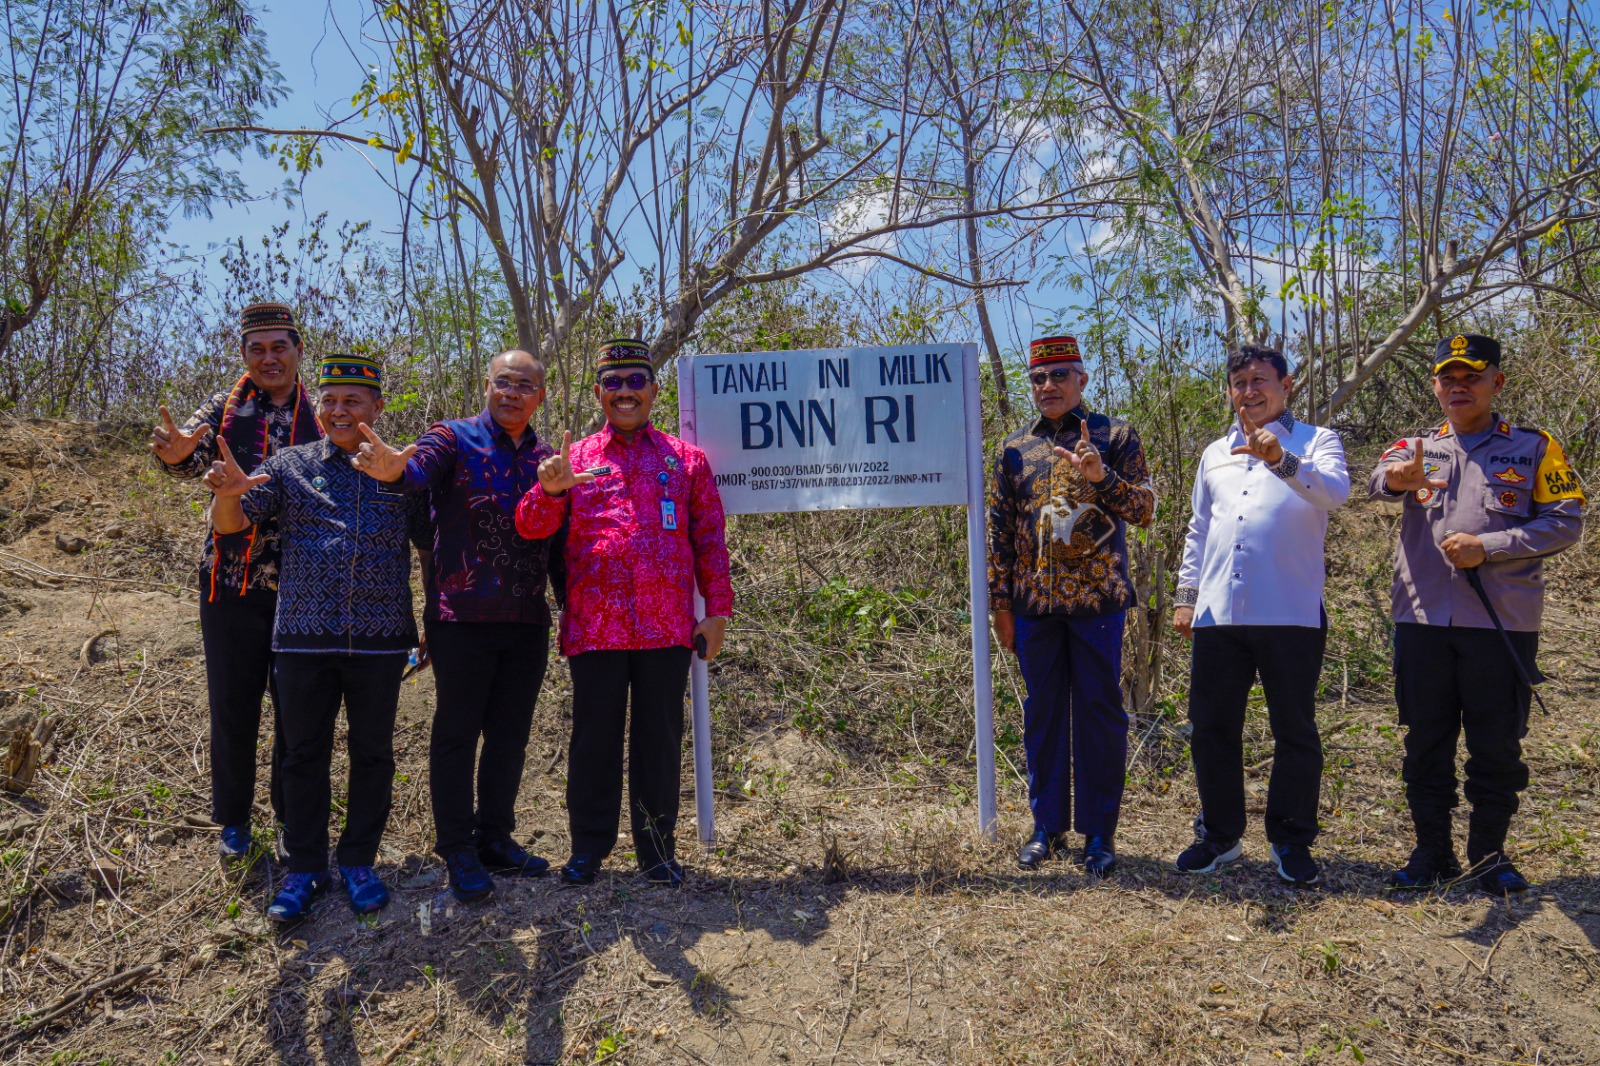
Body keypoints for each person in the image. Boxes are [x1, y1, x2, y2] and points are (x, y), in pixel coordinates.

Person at [207, 355, 432, 922]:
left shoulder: (403, 470)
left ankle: (359, 860)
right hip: (303, 639)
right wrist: (228, 493)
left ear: (377, 408)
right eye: (329, 400)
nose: (338, 410)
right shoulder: (289, 465)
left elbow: (431, 546)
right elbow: (231, 526)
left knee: (373, 754)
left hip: (380, 641)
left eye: (352, 401)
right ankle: (304, 867)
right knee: (302, 754)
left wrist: (431, 621)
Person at [514, 337, 733, 887]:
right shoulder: (572, 461)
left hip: (665, 626)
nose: (625, 392)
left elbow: (709, 541)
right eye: (613, 383)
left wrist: (718, 612)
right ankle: (588, 848)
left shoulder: (687, 462)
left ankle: (657, 851)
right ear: (598, 393)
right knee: (594, 740)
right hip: (595, 626)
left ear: (654, 391)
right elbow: (530, 528)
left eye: (636, 381)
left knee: (659, 741)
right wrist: (548, 492)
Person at [1369, 334, 1584, 896]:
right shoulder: (1415, 447)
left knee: (1495, 746)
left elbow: (1566, 521)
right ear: (1436, 385)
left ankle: (1489, 854)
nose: (1458, 386)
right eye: (1448, 377)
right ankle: (1431, 852)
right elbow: (1376, 481)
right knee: (1426, 741)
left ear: (1497, 382)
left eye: (1471, 375)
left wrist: (1491, 546)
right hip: (1421, 622)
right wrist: (1398, 479)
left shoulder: (1536, 447)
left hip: (1500, 624)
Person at [351, 350, 559, 903]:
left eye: (525, 385)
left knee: (510, 737)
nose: (512, 392)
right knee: (457, 735)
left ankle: (496, 837)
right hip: (460, 617)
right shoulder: (453, 437)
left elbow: (563, 541)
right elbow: (415, 470)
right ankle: (458, 849)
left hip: (526, 619)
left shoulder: (548, 457)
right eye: (503, 382)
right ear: (486, 386)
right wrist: (395, 468)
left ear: (542, 394)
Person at [148, 301, 323, 863]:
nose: (269, 358)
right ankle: (235, 819)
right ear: (243, 355)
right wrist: (176, 455)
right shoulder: (224, 408)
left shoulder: (324, 413)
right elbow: (187, 453)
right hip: (230, 579)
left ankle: (289, 811)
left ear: (298, 350)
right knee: (233, 703)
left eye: (280, 347)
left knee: (295, 707)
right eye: (257, 348)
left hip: (301, 586)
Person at [1171, 346, 1349, 885]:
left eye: (1260, 380)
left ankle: (1291, 839)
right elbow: (1200, 528)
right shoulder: (1214, 453)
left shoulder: (1317, 442)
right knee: (1211, 728)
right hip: (1219, 612)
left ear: (1286, 384)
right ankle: (1220, 835)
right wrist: (1186, 592)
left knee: (1294, 730)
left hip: (1290, 611)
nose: (1249, 390)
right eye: (1239, 382)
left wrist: (1281, 460)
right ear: (1229, 390)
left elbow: (1335, 494)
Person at [988, 335, 1156, 876]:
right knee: (1042, 715)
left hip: (1098, 604)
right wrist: (1001, 604)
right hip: (1034, 605)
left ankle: (1099, 834)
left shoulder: (1116, 436)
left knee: (1100, 716)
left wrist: (1100, 476)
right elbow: (1000, 534)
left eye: (1059, 375)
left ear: (1082, 379)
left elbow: (1145, 509)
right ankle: (1046, 827)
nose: (1048, 386)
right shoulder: (1014, 448)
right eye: (1038, 378)